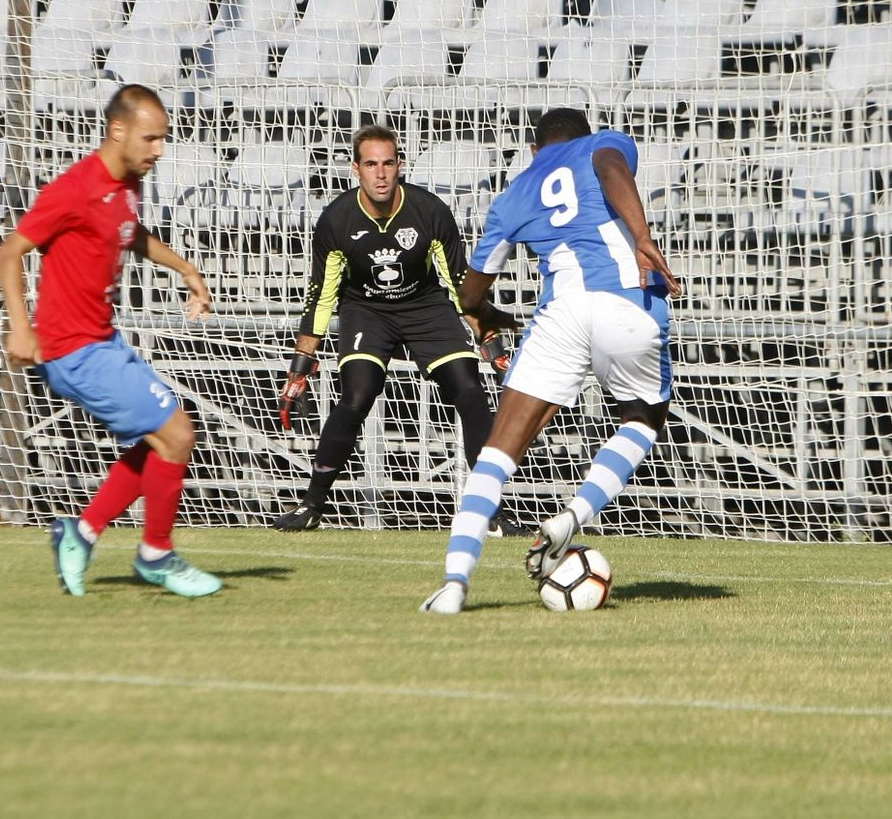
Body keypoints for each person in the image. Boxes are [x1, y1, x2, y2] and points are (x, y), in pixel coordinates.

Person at [421, 107, 682, 615]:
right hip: (625, 301)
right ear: (581, 137)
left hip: (559, 314)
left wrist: (484, 311)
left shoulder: (512, 195)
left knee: (498, 451)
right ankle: (572, 517)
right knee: (643, 418)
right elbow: (610, 165)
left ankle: (454, 585)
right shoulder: (603, 143)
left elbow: (470, 291)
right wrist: (643, 237)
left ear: (535, 151)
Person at [0, 84, 221, 599]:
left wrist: (185, 269)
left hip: (103, 340)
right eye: (150, 138)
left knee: (159, 439)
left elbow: (129, 234)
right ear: (117, 132)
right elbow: (11, 252)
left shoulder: (127, 186)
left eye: (163, 139)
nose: (158, 150)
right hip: (72, 349)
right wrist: (21, 326)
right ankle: (156, 555)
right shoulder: (74, 190)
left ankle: (82, 533)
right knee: (178, 434)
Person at [272, 124, 521, 533]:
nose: (381, 173)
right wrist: (302, 362)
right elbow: (321, 294)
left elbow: (459, 284)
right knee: (357, 394)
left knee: (470, 391)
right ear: (356, 169)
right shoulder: (336, 219)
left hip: (425, 306)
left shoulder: (429, 211)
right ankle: (312, 505)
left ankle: (488, 511)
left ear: (400, 166)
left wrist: (488, 340)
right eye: (371, 164)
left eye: (388, 163)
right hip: (366, 311)